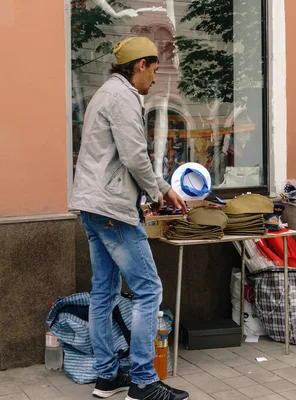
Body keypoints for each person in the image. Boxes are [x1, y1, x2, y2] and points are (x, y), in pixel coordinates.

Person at [69, 37, 189, 400]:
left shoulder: (105, 92)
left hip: (92, 206)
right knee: (148, 289)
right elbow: (135, 157)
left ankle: (106, 378)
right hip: (112, 211)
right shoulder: (123, 97)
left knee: (103, 293)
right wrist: (162, 190)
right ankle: (142, 380)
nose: (154, 79)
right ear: (139, 65)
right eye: (153, 69)